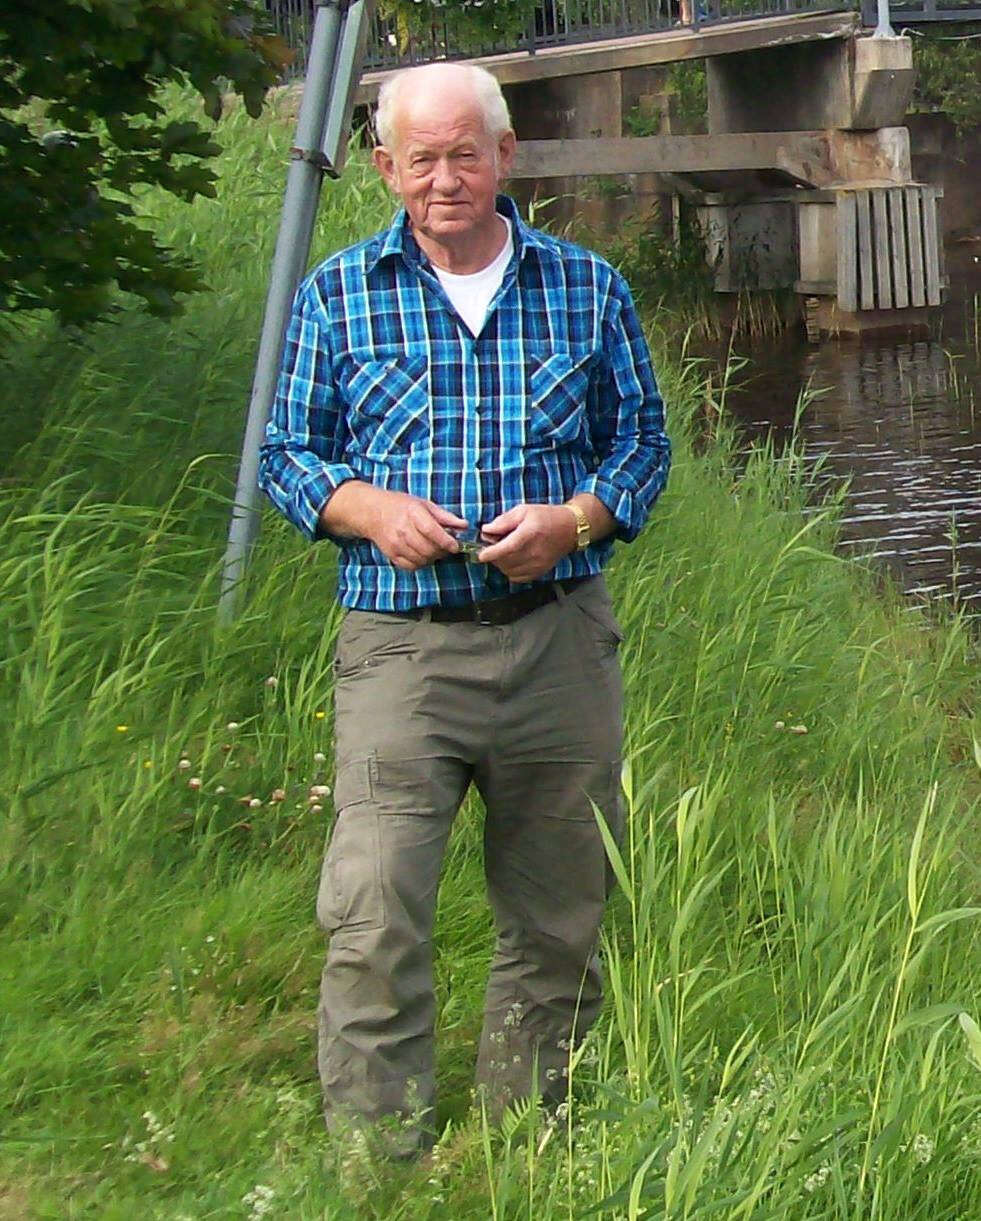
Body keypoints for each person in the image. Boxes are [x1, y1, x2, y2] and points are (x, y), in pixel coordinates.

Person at [258, 61, 670, 1153]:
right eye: (422, 159)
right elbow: (287, 453)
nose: (445, 179)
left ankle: (526, 1149)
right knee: (374, 911)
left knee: (558, 917)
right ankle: (381, 1161)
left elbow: (641, 445)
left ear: (505, 156)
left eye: (465, 155)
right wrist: (366, 509)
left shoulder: (587, 287)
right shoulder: (339, 293)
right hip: (402, 647)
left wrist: (573, 522)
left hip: (558, 644)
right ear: (385, 167)